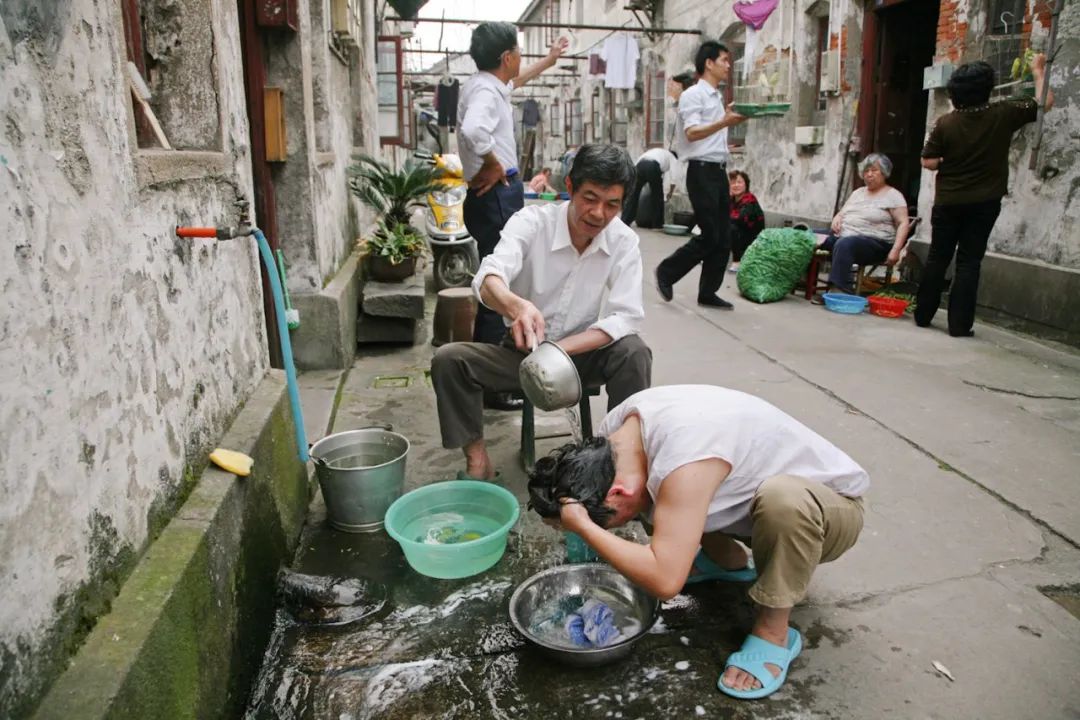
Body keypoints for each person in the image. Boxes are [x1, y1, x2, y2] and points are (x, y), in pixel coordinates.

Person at [527, 384, 868, 700]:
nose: (610, 528)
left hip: (828, 511)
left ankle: (774, 632)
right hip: (745, 492)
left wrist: (588, 529)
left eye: (610, 521)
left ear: (618, 492)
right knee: (665, 495)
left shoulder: (684, 458)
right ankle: (725, 561)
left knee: (779, 501)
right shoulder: (616, 438)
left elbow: (665, 583)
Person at [431, 145, 653, 481]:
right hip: (522, 354)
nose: (598, 213)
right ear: (570, 186)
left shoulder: (623, 241)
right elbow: (489, 277)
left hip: (582, 355)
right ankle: (477, 460)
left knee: (634, 351)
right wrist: (516, 306)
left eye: (612, 205)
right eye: (589, 198)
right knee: (449, 360)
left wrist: (563, 348)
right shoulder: (531, 222)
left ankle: (620, 461)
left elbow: (626, 316)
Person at [458, 21, 568, 409]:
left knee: (497, 276)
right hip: (496, 195)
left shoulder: (484, 85)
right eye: (519, 52)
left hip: (490, 197)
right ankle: (492, 384)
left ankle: (484, 375)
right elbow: (474, 131)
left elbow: (514, 83)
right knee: (499, 284)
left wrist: (550, 60)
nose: (521, 59)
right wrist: (492, 163)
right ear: (506, 56)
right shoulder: (486, 93)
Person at [916, 56, 1054, 337]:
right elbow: (1044, 103)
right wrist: (1039, 71)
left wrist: (946, 160)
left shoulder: (946, 123)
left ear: (955, 92)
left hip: (948, 202)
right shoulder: (1003, 114)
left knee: (938, 256)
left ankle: (922, 315)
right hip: (984, 202)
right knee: (969, 261)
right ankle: (959, 325)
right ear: (987, 89)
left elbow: (927, 161)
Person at [656, 42, 747, 310]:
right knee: (710, 234)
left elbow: (711, 135)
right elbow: (692, 133)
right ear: (708, 63)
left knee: (724, 237)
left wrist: (727, 126)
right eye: (724, 60)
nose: (728, 65)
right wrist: (724, 122)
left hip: (718, 170)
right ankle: (667, 271)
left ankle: (708, 292)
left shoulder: (716, 98)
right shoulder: (693, 95)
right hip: (701, 172)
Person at [811, 153, 909, 301]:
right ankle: (801, 281)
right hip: (843, 236)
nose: (869, 174)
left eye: (874, 170)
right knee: (808, 235)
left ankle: (838, 292)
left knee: (845, 244)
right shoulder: (858, 193)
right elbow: (842, 212)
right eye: (866, 171)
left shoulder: (893, 195)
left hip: (875, 244)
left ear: (884, 172)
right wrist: (837, 218)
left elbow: (903, 223)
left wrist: (896, 250)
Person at [620, 147, 678, 228]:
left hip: (639, 166)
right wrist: (671, 192)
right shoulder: (672, 157)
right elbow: (674, 176)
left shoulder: (656, 151)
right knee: (657, 197)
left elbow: (638, 162)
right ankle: (657, 225)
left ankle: (625, 221)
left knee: (633, 195)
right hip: (652, 166)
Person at [727, 170, 764, 273]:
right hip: (739, 234)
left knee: (731, 227)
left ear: (745, 185)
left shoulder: (750, 200)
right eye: (733, 182)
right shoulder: (731, 200)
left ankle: (737, 261)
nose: (736, 185)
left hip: (752, 238)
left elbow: (739, 218)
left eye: (739, 182)